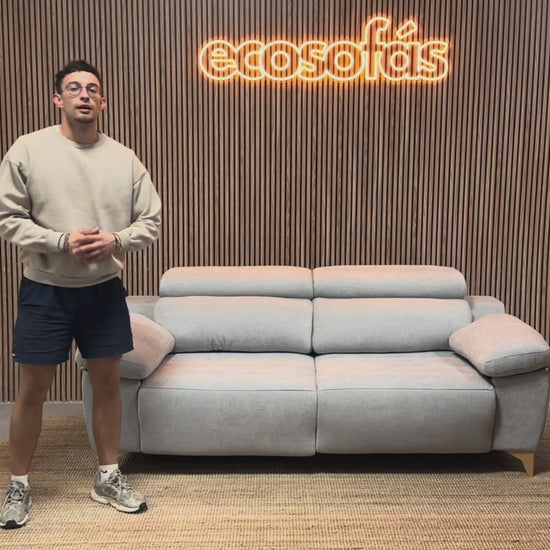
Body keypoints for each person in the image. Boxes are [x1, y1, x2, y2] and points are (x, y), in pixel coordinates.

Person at [0, 60, 161, 529]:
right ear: (58, 99)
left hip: (103, 292)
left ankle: (107, 478)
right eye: (74, 88)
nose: (84, 94)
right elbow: (7, 217)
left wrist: (116, 240)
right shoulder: (28, 149)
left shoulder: (124, 158)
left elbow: (150, 221)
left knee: (107, 385)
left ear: (103, 102)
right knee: (33, 390)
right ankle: (18, 485)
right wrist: (59, 241)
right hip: (45, 290)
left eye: (92, 89)